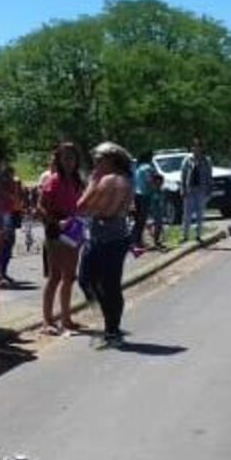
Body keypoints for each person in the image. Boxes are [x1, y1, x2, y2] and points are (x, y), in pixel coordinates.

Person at [77, 142, 134, 348]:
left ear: (111, 160)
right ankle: (112, 327)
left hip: (105, 238)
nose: (95, 163)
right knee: (107, 285)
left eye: (99, 159)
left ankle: (110, 325)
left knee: (91, 281)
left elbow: (82, 206)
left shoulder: (109, 180)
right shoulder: (126, 179)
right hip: (113, 236)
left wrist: (92, 182)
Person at [39, 143, 85, 335]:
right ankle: (48, 320)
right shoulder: (53, 180)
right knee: (55, 276)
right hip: (56, 230)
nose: (69, 162)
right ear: (59, 159)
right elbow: (40, 206)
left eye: (72, 158)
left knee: (70, 276)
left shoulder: (76, 181)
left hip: (73, 230)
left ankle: (66, 317)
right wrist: (55, 222)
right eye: (65, 158)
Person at [180, 137, 212, 243]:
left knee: (200, 213)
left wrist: (209, 189)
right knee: (187, 214)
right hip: (190, 190)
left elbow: (209, 176)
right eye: (194, 146)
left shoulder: (206, 160)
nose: (196, 148)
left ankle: (198, 235)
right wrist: (182, 189)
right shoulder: (187, 160)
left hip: (201, 189)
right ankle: (185, 236)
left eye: (198, 146)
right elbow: (183, 176)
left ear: (201, 148)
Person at [131, 152, 155, 249]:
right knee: (142, 219)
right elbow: (149, 181)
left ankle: (136, 240)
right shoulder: (147, 168)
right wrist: (155, 188)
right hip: (145, 195)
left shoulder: (138, 168)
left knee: (138, 220)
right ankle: (137, 241)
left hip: (137, 195)